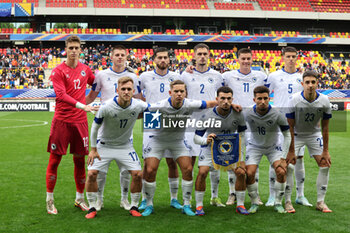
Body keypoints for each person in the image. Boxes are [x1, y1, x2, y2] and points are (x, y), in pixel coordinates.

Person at [141, 80, 218, 216]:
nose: (179, 94)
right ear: (170, 92)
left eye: (182, 91)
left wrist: (232, 105)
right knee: (150, 169)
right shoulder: (160, 106)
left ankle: (186, 204)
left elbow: (210, 103)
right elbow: (141, 112)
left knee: (188, 169)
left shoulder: (189, 104)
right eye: (176, 91)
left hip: (178, 141)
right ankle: (149, 205)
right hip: (158, 140)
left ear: (185, 93)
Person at [46, 35, 98, 215]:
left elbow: (97, 83)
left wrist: (90, 100)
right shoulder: (58, 71)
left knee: (80, 161)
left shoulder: (85, 69)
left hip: (80, 122)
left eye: (77, 48)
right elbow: (60, 95)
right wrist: (83, 104)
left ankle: (79, 199)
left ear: (80, 49)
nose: (74, 51)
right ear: (65, 49)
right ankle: (49, 200)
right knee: (55, 160)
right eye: (71, 48)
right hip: (62, 121)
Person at [86, 45, 140, 211]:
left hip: (124, 130)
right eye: (116, 55)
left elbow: (139, 100)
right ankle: (98, 200)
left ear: (126, 57)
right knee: (99, 170)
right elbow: (91, 97)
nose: (119, 57)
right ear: (111, 57)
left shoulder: (133, 77)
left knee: (126, 170)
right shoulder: (101, 75)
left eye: (122, 55)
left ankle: (124, 199)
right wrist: (78, 106)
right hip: (104, 128)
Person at [85, 77, 148, 219]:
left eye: (129, 89)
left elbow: (156, 109)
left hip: (125, 146)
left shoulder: (139, 104)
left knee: (137, 174)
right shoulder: (106, 106)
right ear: (117, 90)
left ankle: (134, 206)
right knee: (91, 174)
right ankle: (92, 207)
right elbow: (95, 128)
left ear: (133, 91)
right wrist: (93, 149)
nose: (126, 92)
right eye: (123, 89)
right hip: (104, 145)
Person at [265, 46, 312, 210]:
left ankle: (300, 195)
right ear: (282, 57)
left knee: (298, 160)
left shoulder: (302, 77)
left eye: (293, 56)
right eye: (288, 56)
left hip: (298, 125)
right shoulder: (273, 76)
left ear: (297, 58)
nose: (291, 59)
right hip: (278, 125)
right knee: (276, 160)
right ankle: (272, 195)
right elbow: (263, 94)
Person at [181, 43, 226, 207]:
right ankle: (188, 199)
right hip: (190, 124)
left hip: (212, 123)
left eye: (204, 54)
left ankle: (214, 197)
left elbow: (223, 98)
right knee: (189, 165)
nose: (202, 56)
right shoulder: (185, 76)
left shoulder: (217, 76)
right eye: (199, 54)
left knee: (215, 163)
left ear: (209, 56)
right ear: (194, 56)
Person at [193, 86, 249, 215]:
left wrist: (241, 159)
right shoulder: (207, 115)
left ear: (232, 99)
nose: (225, 101)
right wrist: (205, 140)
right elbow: (196, 138)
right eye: (222, 98)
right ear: (217, 99)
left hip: (230, 149)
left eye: (229, 99)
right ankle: (199, 206)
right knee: (202, 172)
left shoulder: (238, 114)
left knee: (240, 173)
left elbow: (242, 136)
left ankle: (240, 205)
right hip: (210, 148)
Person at [139, 47, 182, 210]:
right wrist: (147, 106)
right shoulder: (144, 77)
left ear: (169, 60)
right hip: (152, 118)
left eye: (165, 57)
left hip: (172, 118)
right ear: (154, 60)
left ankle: (174, 199)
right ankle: (145, 199)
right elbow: (137, 94)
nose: (163, 60)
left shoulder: (176, 77)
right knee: (148, 163)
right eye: (160, 58)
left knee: (172, 161)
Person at [222, 48, 266, 205]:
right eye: (243, 58)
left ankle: (255, 193)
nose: (246, 61)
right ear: (238, 59)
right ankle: (232, 192)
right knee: (233, 156)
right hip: (234, 120)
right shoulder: (227, 76)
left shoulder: (261, 76)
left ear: (252, 59)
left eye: (249, 58)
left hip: (255, 121)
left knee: (254, 157)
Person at [286, 70, 332, 213]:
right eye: (307, 82)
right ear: (302, 84)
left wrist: (325, 151)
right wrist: (291, 150)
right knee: (289, 166)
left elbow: (325, 127)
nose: (310, 85)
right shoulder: (294, 99)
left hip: (313, 134)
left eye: (313, 82)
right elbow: (290, 127)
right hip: (297, 135)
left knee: (325, 164)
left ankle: (320, 202)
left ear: (317, 83)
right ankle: (287, 201)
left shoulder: (324, 100)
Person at [244, 86, 291, 214]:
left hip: (273, 147)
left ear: (269, 99)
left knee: (281, 171)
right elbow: (239, 130)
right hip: (254, 146)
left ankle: (277, 202)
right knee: (249, 173)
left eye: (265, 98)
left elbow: (287, 135)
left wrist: (283, 157)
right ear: (254, 99)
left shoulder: (277, 113)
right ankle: (254, 202)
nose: (263, 101)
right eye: (259, 98)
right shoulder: (247, 112)